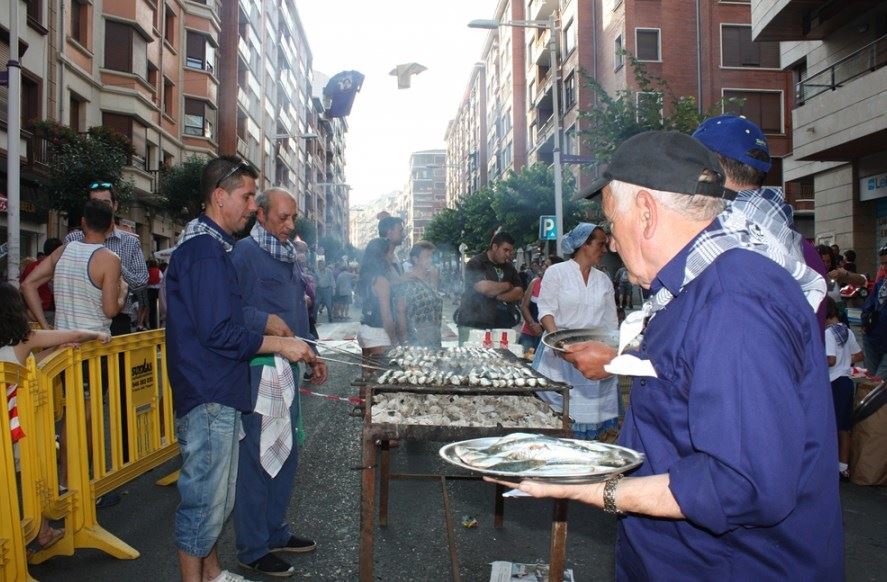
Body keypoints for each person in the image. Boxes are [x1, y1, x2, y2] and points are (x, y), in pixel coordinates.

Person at [499, 131, 843, 579]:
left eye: (612, 222)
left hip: (729, 566)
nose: (613, 244)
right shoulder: (696, 287)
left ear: (645, 211)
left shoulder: (735, 299)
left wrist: (595, 489)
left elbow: (743, 483)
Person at [165, 156, 316, 582]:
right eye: (247, 196)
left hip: (219, 387)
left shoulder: (213, 245)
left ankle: (212, 573)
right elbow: (219, 331)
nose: (252, 206)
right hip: (209, 390)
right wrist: (279, 342)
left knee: (216, 497)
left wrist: (298, 345)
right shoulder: (205, 251)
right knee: (204, 502)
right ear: (219, 196)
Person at [229, 187, 328, 577]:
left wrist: (312, 354)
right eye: (283, 217)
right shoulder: (244, 254)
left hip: (289, 367)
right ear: (261, 215)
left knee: (286, 451)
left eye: (293, 218)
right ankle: (252, 547)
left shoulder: (289, 256)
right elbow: (228, 311)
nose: (290, 225)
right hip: (258, 368)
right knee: (257, 456)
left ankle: (275, 531)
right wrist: (263, 321)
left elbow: (298, 316)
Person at [1, 282, 112, 556]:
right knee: (35, 475)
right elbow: (73, 334)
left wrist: (54, 351)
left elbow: (27, 365)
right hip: (15, 425)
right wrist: (98, 334)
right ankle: (40, 532)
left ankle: (23, 537)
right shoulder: (24, 339)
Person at [533, 224, 619, 439]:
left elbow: (610, 323)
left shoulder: (604, 280)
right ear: (584, 244)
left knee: (591, 419)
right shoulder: (557, 272)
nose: (605, 250)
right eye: (600, 244)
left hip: (592, 355)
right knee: (560, 417)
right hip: (559, 355)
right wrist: (558, 341)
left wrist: (612, 350)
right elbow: (545, 310)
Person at [22, 199, 127, 334]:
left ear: (83, 222)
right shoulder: (110, 259)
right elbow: (110, 311)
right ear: (111, 226)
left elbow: (27, 285)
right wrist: (123, 293)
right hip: (94, 342)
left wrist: (46, 328)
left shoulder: (62, 251)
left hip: (62, 342)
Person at [64, 181, 148, 336]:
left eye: (106, 203)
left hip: (118, 320)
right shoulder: (73, 240)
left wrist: (114, 265)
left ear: (115, 206)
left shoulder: (130, 242)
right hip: (80, 319)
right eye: (95, 203)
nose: (100, 208)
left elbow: (141, 283)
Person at [456, 232, 524, 344]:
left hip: (502, 323)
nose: (508, 254)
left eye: (510, 251)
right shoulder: (476, 263)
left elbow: (519, 292)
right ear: (495, 247)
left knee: (502, 355)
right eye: (505, 250)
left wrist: (498, 296)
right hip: (474, 322)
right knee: (471, 354)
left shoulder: (509, 267)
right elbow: (484, 288)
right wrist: (507, 285)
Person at [824, 297, 863, 480]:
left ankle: (829, 464)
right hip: (846, 381)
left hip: (834, 382)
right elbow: (860, 354)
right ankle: (843, 467)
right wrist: (846, 361)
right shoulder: (846, 331)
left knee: (830, 425)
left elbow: (830, 360)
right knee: (844, 426)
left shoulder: (828, 333)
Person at [392, 241, 442, 348]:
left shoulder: (432, 276)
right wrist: (405, 342)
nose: (430, 260)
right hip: (415, 342)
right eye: (427, 256)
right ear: (415, 259)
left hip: (434, 340)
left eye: (431, 256)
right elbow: (400, 313)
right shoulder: (406, 281)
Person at [357, 238, 398, 367]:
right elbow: (386, 316)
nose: (392, 256)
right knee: (380, 375)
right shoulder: (381, 281)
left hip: (365, 330)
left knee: (367, 375)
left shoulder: (368, 277)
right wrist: (395, 341)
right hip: (379, 334)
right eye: (390, 252)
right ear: (382, 256)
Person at [518, 256, 564, 355]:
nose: (543, 267)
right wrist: (532, 324)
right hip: (528, 332)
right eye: (544, 264)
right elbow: (524, 306)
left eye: (547, 266)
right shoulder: (535, 282)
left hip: (548, 335)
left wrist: (541, 327)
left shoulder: (562, 288)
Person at [19, 238, 63, 326]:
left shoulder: (30, 266)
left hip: (31, 312)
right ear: (58, 250)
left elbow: (21, 289)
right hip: (51, 313)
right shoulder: (57, 266)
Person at [861, 246, 887, 378]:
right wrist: (865, 322)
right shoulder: (881, 283)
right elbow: (869, 304)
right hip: (872, 339)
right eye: (882, 263)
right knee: (871, 381)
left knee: (879, 382)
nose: (884, 267)